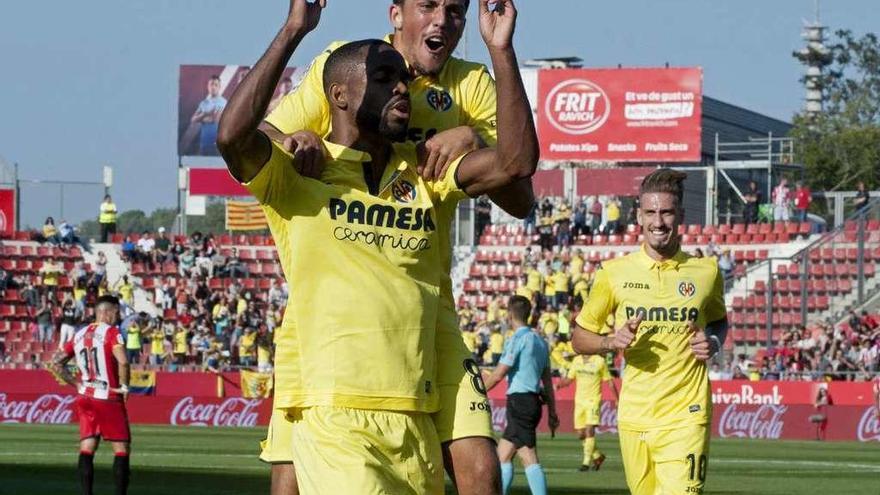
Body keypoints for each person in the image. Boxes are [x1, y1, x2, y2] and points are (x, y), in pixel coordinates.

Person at [217, 0, 536, 492]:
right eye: (428, 5)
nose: (442, 20)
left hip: (430, 321)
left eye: (455, 10)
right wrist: (292, 129)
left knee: (481, 469)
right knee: (291, 477)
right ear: (395, 14)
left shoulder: (464, 96)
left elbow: (518, 180)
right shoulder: (342, 70)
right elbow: (243, 135)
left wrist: (476, 125)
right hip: (326, 341)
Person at [571, 169, 729, 495]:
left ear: (681, 215)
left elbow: (719, 320)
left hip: (688, 413)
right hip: (635, 415)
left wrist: (712, 341)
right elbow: (579, 338)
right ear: (639, 218)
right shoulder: (613, 274)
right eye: (651, 213)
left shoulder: (706, 271)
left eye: (667, 212)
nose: (659, 222)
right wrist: (609, 341)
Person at [49, 295, 131, 495]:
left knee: (87, 447)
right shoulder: (112, 332)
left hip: (85, 396)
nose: (118, 316)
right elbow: (124, 361)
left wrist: (75, 384)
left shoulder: (80, 333)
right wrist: (124, 386)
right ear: (106, 311)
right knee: (122, 449)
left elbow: (56, 363)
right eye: (116, 312)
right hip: (107, 396)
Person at [482, 296, 558, 495]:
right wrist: (552, 412)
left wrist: (478, 391)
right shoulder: (541, 342)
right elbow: (548, 382)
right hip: (532, 403)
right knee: (502, 457)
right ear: (530, 314)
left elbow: (499, 374)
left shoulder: (516, 339)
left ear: (509, 315)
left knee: (528, 456)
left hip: (520, 402)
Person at [555, 353, 619, 471]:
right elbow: (569, 379)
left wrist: (616, 399)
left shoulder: (599, 361)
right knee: (581, 434)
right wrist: (558, 385)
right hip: (579, 401)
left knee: (590, 430)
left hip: (593, 400)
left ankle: (585, 463)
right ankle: (598, 456)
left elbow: (609, 381)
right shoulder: (577, 360)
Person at [192, 75, 227, 155]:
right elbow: (193, 119)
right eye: (211, 84)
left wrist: (207, 119)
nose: (213, 87)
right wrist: (206, 114)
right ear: (208, 86)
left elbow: (222, 121)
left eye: (216, 85)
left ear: (219, 87)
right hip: (204, 143)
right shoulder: (204, 103)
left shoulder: (224, 103)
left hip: (218, 144)